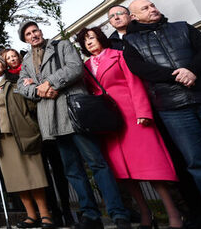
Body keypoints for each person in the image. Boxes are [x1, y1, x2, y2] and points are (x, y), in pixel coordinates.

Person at [122, 0, 201, 229]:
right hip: (173, 109)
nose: (152, 9)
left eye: (152, 5)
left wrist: (192, 71)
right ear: (134, 17)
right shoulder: (130, 42)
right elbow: (141, 69)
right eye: (145, 8)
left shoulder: (182, 27)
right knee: (198, 165)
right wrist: (177, 75)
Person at [15, 21, 130, 229]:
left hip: (74, 113)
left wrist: (47, 83)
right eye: (28, 34)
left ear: (41, 32)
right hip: (52, 119)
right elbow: (21, 87)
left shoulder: (62, 45)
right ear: (25, 39)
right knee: (72, 170)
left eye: (35, 31)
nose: (33, 35)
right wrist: (39, 91)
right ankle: (90, 216)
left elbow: (75, 68)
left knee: (97, 164)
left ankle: (118, 213)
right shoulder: (26, 61)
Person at [76, 27, 183, 229]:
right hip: (108, 122)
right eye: (85, 41)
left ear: (101, 38)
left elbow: (135, 84)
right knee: (124, 173)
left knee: (152, 168)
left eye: (92, 37)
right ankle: (145, 214)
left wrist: (144, 112)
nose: (89, 42)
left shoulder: (119, 55)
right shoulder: (86, 66)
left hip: (132, 116)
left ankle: (173, 214)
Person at [0, 53, 52, 229]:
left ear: (4, 66)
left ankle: (45, 215)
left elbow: (31, 106)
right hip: (1, 138)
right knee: (17, 179)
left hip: (22, 134)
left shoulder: (16, 82)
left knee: (34, 175)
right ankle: (31, 215)